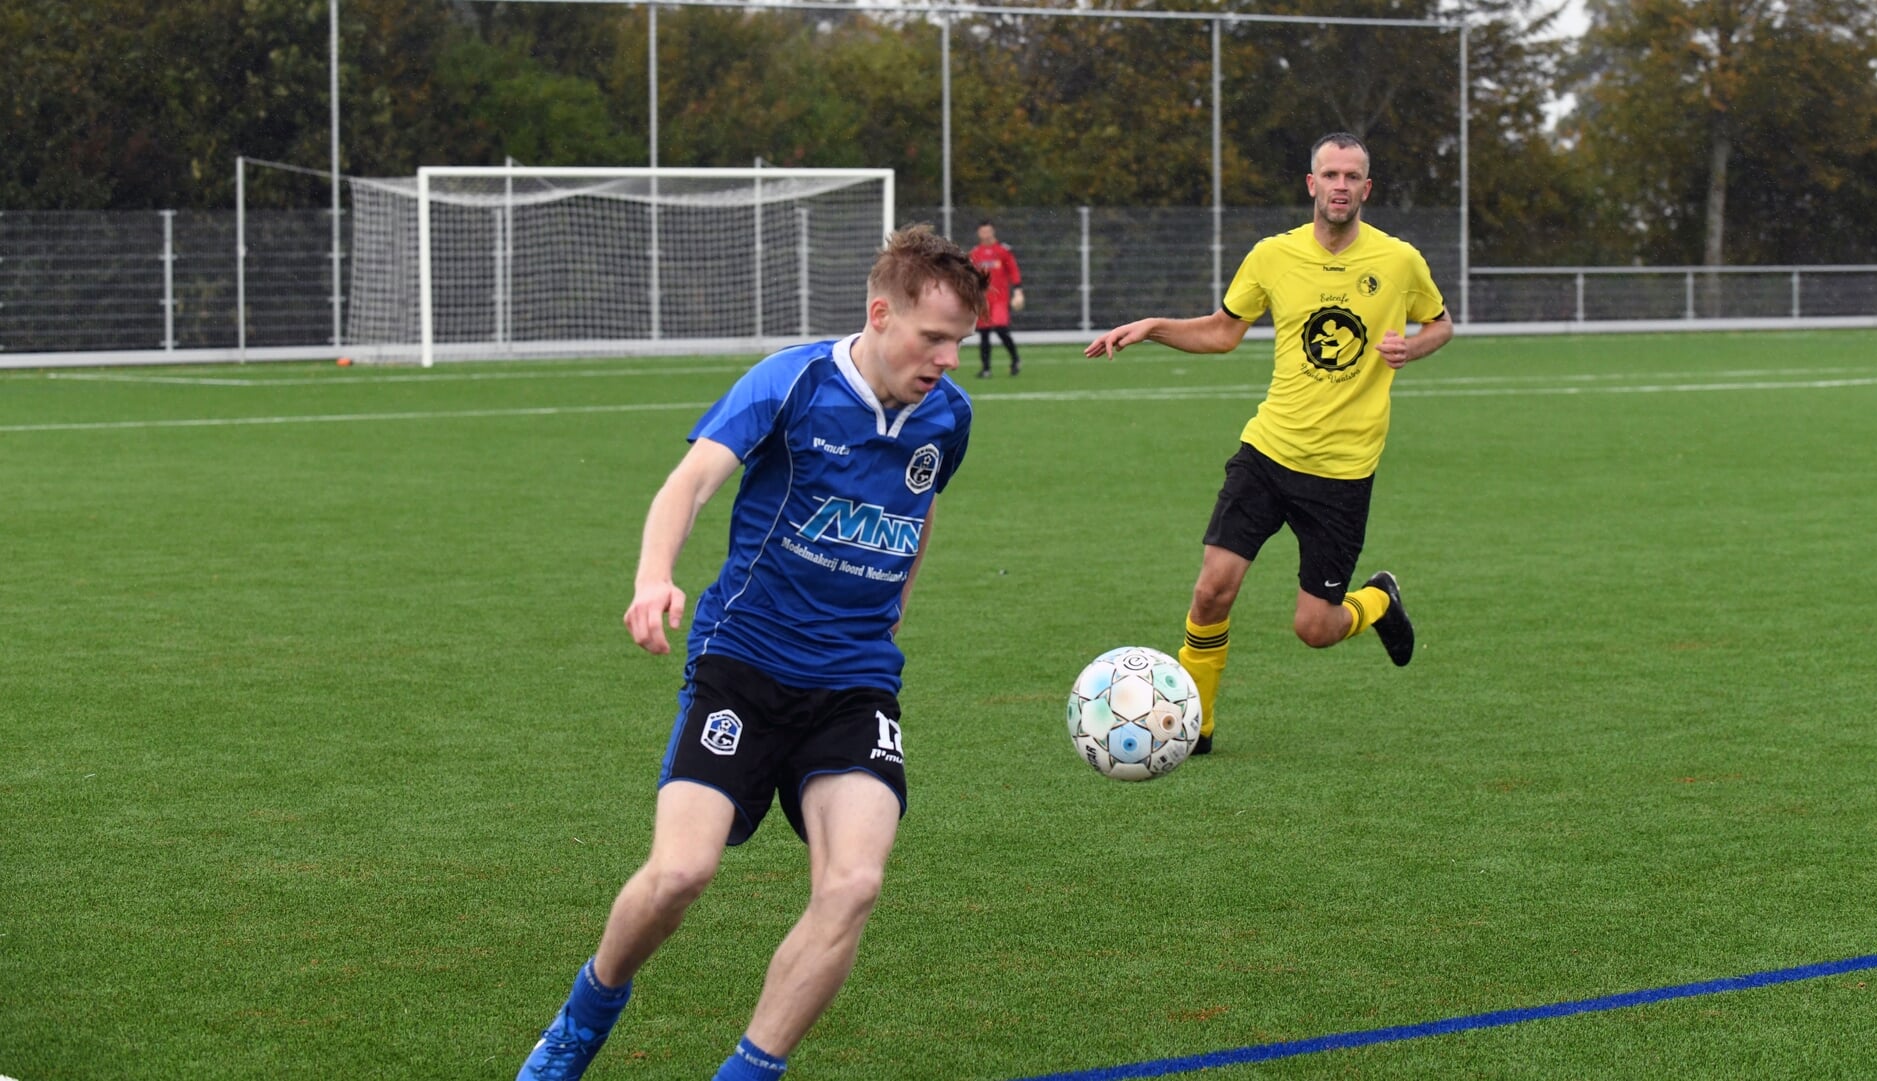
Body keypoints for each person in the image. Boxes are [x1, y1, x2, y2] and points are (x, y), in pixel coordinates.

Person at [516, 225, 987, 1081]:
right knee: (680, 873)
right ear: (882, 315)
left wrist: (888, 627)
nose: (949, 358)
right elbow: (688, 482)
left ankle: (747, 1072)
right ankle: (583, 1018)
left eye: (959, 340)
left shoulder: (947, 419)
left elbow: (917, 521)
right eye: (934, 337)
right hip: (746, 659)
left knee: (853, 885)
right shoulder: (794, 380)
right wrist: (654, 577)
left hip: (855, 681)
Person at [1083, 132, 1454, 755]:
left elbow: (1440, 323)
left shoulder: (1398, 261)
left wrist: (1411, 347)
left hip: (1342, 472)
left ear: (1367, 188)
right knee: (1212, 587)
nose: (1340, 185)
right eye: (1330, 174)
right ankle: (1194, 724)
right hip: (1268, 452)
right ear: (1312, 184)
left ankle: (1378, 602)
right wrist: (1154, 326)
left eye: (1352, 176)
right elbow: (1224, 332)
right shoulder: (1272, 256)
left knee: (1315, 628)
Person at [969, 220, 1025, 377]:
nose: (986, 235)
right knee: (984, 333)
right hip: (983, 300)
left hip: (1000, 299)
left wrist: (1018, 290)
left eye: (988, 231)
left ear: (993, 232)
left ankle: (1015, 359)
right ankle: (986, 369)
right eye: (983, 232)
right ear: (979, 233)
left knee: (1001, 329)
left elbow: (1013, 271)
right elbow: (969, 275)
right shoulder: (975, 253)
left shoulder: (1002, 251)